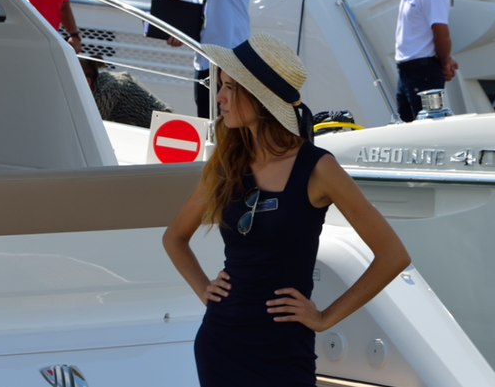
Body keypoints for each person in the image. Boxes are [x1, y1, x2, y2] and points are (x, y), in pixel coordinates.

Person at [163, 34, 411, 387]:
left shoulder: (319, 169)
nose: (219, 98)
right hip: (221, 342)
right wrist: (204, 288)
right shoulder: (227, 163)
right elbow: (174, 237)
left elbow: (393, 255)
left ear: (259, 98)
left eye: (230, 88)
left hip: (283, 351)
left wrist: (325, 317)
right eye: (221, 86)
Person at [392, 0, 459, 122]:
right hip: (408, 71)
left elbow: (441, 33)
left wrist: (444, 62)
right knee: (408, 125)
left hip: (423, 73)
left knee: (424, 128)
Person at [79, 57, 171, 128]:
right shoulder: (106, 80)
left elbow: (90, 123)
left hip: (163, 127)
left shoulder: (109, 89)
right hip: (160, 125)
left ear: (87, 81)